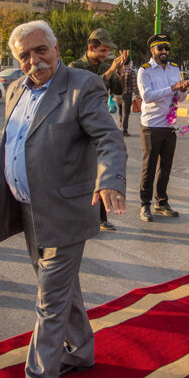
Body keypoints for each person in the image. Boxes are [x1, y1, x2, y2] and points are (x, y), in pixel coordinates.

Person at [0, 20, 127, 378]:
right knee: (61, 290)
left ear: (55, 47)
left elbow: (108, 138)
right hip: (28, 209)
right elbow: (7, 143)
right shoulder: (16, 89)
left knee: (48, 301)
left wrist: (109, 179)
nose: (34, 62)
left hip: (67, 211)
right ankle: (82, 350)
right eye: (24, 56)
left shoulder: (82, 85)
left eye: (41, 51)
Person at [69, 28, 128, 231]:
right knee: (80, 172)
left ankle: (101, 217)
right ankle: (78, 215)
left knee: (102, 169)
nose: (105, 55)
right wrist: (111, 70)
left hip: (100, 123)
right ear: (91, 47)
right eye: (102, 50)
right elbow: (86, 89)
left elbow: (119, 91)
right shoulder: (75, 67)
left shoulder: (104, 66)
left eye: (107, 51)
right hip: (78, 125)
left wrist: (119, 72)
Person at [138, 33, 189, 222]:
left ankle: (161, 202)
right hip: (151, 125)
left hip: (170, 125)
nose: (164, 51)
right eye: (160, 48)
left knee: (166, 167)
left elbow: (179, 98)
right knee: (149, 167)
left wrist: (183, 89)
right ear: (152, 50)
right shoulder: (144, 71)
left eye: (167, 48)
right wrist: (172, 88)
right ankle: (145, 204)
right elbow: (147, 96)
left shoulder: (174, 69)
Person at [118, 58, 138, 137]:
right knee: (125, 113)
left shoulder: (118, 71)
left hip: (118, 95)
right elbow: (134, 85)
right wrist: (138, 94)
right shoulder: (131, 71)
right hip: (127, 94)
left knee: (120, 112)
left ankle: (120, 128)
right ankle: (124, 130)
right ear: (129, 63)